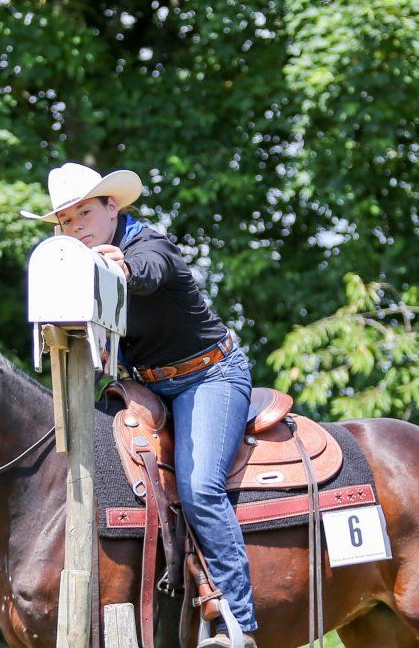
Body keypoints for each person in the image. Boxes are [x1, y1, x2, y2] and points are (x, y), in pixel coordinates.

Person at [21, 162, 257, 647]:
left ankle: (239, 624)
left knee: (200, 488)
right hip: (143, 386)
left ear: (113, 206)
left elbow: (145, 274)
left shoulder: (151, 244)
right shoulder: (78, 270)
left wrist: (117, 265)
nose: (76, 227)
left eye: (84, 212)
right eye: (65, 221)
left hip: (209, 375)